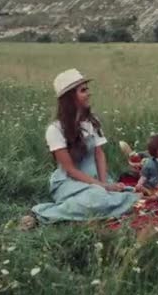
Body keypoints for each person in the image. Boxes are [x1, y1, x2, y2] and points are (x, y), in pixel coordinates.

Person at [20, 69, 140, 230]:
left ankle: (82, 214)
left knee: (120, 194)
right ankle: (42, 214)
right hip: (70, 181)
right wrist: (102, 187)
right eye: (83, 90)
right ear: (70, 97)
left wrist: (104, 183)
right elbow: (69, 169)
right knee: (98, 198)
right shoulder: (55, 129)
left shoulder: (92, 121)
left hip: (95, 177)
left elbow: (99, 154)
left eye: (87, 89)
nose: (89, 93)